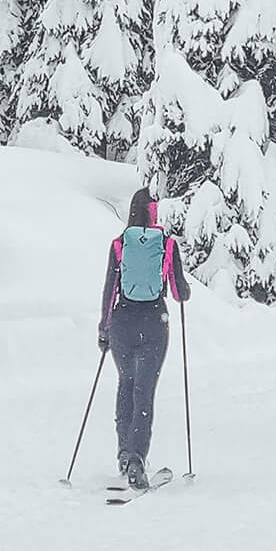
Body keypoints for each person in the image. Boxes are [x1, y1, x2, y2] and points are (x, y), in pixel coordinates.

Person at [97, 187, 189, 490]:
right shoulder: (167, 244)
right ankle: (137, 457)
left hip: (122, 321)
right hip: (153, 321)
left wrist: (104, 329)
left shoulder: (119, 243)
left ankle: (124, 453)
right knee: (144, 390)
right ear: (154, 212)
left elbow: (110, 289)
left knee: (126, 383)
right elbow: (179, 292)